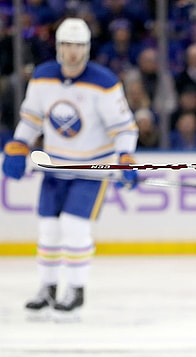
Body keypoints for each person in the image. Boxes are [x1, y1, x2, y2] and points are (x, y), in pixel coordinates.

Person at [1, 17, 138, 314]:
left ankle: (75, 289)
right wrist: (18, 145)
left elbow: (125, 128)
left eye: (77, 45)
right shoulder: (43, 77)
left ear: (86, 48)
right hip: (54, 169)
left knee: (75, 228)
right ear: (58, 47)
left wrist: (125, 157)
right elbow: (31, 118)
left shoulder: (104, 82)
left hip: (91, 171)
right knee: (49, 230)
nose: (72, 51)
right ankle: (47, 288)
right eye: (66, 44)